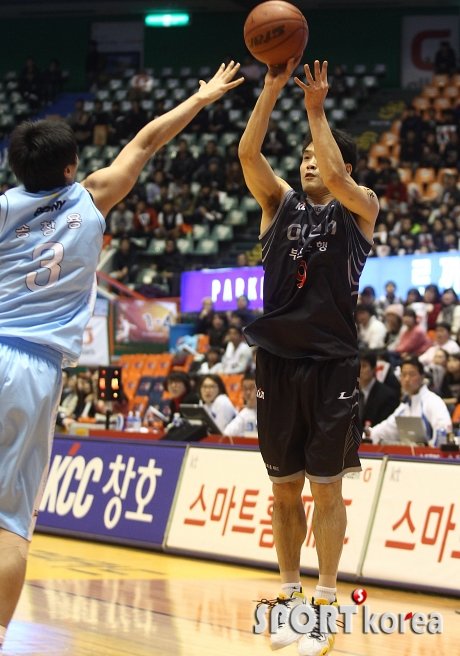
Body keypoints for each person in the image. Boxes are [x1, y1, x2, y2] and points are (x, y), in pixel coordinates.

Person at [0, 60, 243, 650]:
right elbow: (148, 139)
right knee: (9, 523)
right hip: (32, 368)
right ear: (71, 167)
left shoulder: (3, 207)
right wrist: (201, 97)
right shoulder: (93, 197)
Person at [238, 58, 379, 656]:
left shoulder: (360, 207)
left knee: (326, 490)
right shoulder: (278, 205)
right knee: (283, 491)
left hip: (332, 367)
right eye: (303, 157)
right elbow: (249, 155)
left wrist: (316, 112)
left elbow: (342, 180)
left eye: (318, 156)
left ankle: (325, 601)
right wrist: (271, 90)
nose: (309, 163)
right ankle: (291, 597)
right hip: (276, 365)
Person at [366, 357, 452, 446]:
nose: (407, 379)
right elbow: (385, 429)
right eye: (403, 375)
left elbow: (444, 429)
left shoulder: (433, 401)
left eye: (412, 374)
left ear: (422, 377)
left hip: (431, 454)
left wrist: (431, 449)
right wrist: (367, 435)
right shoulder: (405, 406)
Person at [358, 351, 400, 427]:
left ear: (374, 369)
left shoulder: (388, 396)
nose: (359, 370)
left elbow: (384, 427)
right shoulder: (349, 392)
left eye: (363, 366)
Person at [223, 372, 257, 438]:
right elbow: (226, 434)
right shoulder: (243, 414)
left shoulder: (269, 411)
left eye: (252, 387)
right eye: (245, 388)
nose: (248, 392)